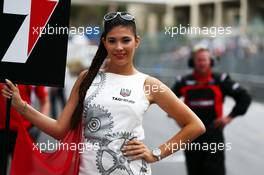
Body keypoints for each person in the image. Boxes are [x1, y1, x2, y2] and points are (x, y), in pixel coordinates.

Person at [1, 12, 206, 175]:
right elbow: (60, 129)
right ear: (104, 42)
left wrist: (156, 153)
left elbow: (195, 125)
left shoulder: (148, 84)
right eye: (112, 40)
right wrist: (21, 107)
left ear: (137, 41)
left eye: (125, 40)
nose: (119, 47)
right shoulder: (86, 78)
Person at [171, 44, 251, 175]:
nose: (202, 63)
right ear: (193, 62)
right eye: (199, 60)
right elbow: (167, 101)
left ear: (211, 61)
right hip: (191, 136)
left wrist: (228, 118)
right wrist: (177, 118)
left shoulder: (221, 80)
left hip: (214, 136)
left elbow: (244, 97)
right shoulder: (183, 81)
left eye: (205, 59)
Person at [0, 84, 50, 174]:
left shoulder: (29, 72)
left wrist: (40, 125)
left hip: (23, 131)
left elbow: (45, 101)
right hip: (1, 130)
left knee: (23, 171)